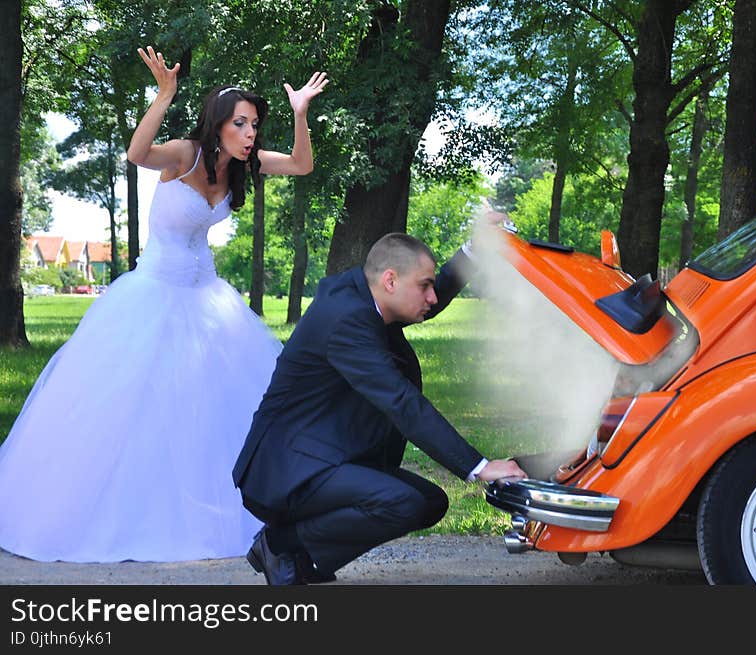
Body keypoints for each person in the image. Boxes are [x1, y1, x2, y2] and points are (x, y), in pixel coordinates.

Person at [0, 46, 328, 563]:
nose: (250, 134)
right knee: (131, 408)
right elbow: (136, 154)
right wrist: (164, 95)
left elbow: (304, 164)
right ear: (219, 124)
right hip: (152, 294)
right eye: (241, 124)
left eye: (255, 125)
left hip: (209, 302)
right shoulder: (185, 153)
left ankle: (232, 506)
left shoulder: (245, 165)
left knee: (216, 410)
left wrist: (301, 113)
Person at [233, 232, 527, 585]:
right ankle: (278, 544)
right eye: (425, 286)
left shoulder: (366, 298)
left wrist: (472, 252)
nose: (432, 298)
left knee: (429, 501)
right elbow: (401, 402)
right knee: (402, 503)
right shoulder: (346, 319)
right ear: (390, 280)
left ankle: (302, 555)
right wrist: (478, 467)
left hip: (326, 454)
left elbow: (428, 296)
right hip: (286, 469)